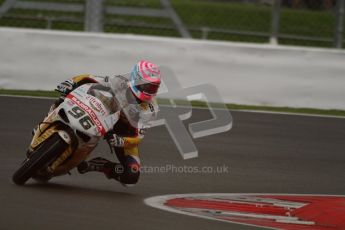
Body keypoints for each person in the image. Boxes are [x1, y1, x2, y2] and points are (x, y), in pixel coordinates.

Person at [53, 60, 161, 186]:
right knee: (62, 99)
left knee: (132, 175)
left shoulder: (151, 109)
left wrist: (121, 141)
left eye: (154, 87)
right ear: (137, 80)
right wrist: (71, 82)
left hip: (123, 133)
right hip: (102, 112)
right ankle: (51, 119)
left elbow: (137, 138)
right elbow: (89, 77)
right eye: (147, 86)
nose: (150, 90)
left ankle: (101, 166)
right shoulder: (120, 81)